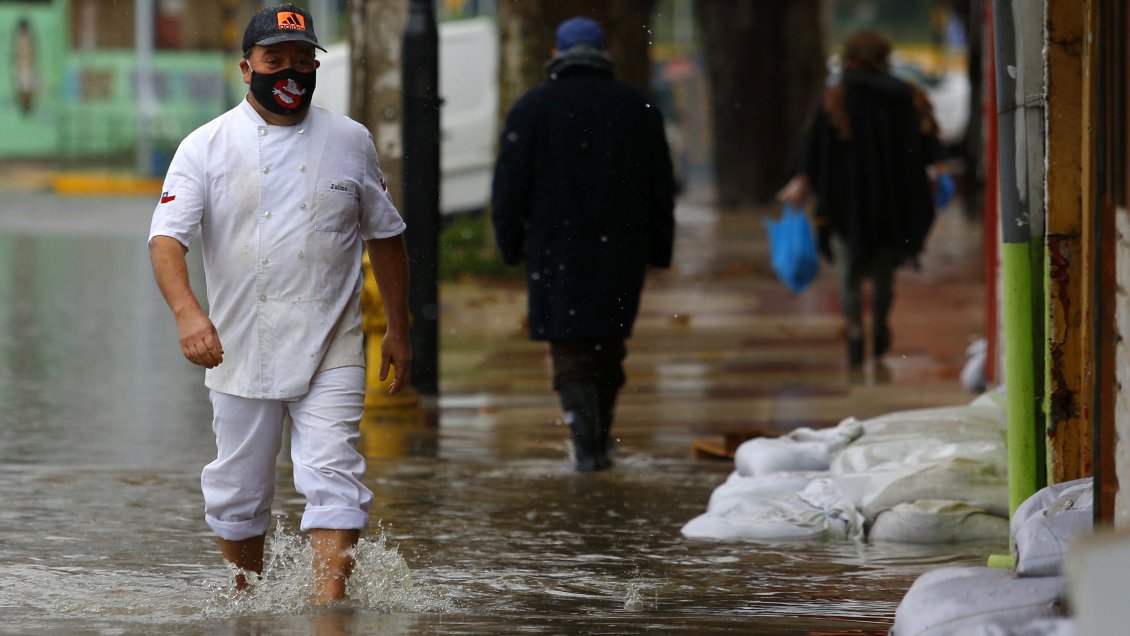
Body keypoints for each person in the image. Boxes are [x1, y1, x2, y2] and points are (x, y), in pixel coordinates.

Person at [147, 4, 411, 604]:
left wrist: (399, 327)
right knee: (237, 494)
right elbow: (166, 240)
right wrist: (189, 315)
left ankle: (328, 609)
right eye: (275, 59)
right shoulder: (206, 146)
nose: (290, 70)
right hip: (239, 346)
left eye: (302, 59)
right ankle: (248, 596)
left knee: (334, 474)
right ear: (247, 68)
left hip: (332, 342)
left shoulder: (350, 140)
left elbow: (386, 236)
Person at [491, 16, 676, 472]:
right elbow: (661, 185)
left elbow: (509, 186)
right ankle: (598, 438)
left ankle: (586, 443)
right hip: (621, 248)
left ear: (555, 54)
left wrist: (511, 244)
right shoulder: (636, 106)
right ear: (604, 54)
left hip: (556, 247)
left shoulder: (533, 107)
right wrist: (659, 247)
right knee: (608, 343)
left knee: (569, 344)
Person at [779, 30, 943, 368]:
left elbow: (813, 147)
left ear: (849, 58)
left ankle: (854, 327)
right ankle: (880, 323)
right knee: (884, 270)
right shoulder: (906, 96)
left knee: (848, 269)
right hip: (892, 201)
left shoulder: (835, 96)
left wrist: (802, 181)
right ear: (885, 58)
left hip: (844, 201)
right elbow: (926, 145)